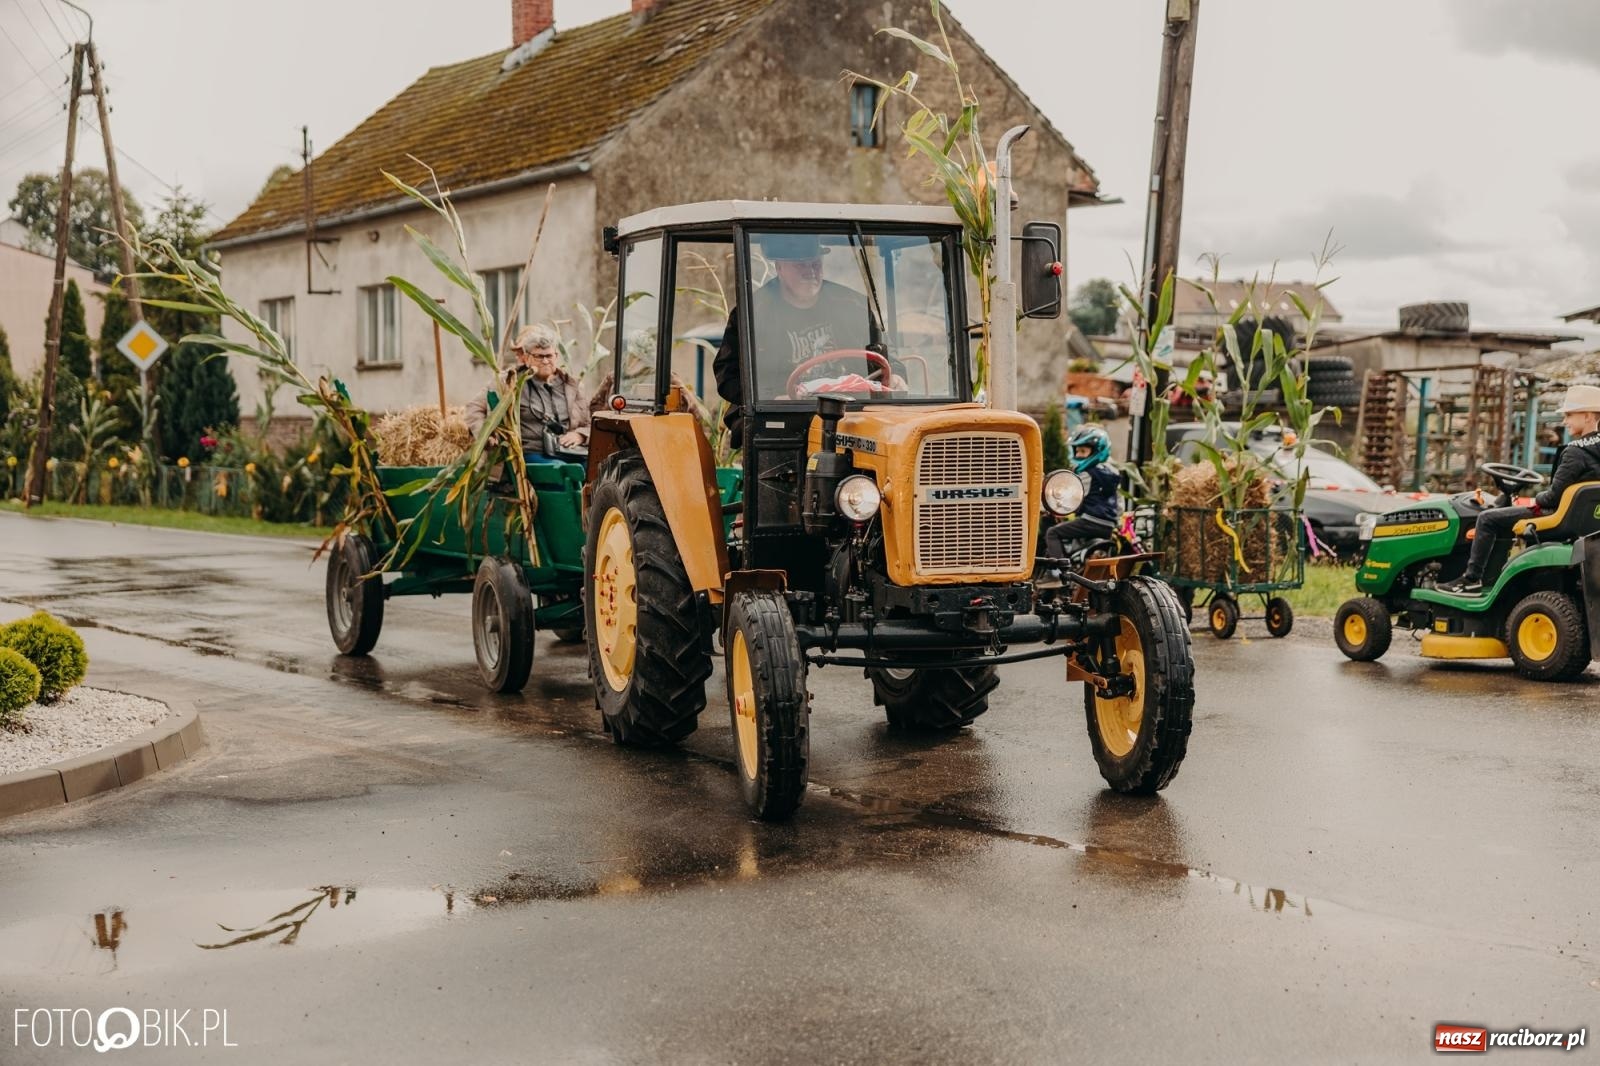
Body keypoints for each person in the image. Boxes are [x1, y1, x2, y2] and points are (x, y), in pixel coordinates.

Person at [713, 233, 876, 447]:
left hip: (846, 415)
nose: (811, 271)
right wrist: (770, 398)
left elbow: (883, 358)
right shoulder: (752, 313)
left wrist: (897, 376)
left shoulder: (853, 305)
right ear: (779, 267)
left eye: (816, 264)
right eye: (801, 265)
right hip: (782, 418)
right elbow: (727, 374)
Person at [1442, 384, 1600, 594]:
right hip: (1586, 521)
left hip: (1558, 516)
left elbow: (1552, 497)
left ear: (1588, 416)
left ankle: (1471, 579)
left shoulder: (1575, 453)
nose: (1564, 421)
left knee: (1487, 519)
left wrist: (1537, 498)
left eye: (1569, 415)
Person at [463, 323, 590, 463]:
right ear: (528, 357)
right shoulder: (508, 382)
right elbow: (474, 408)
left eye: (549, 356)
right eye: (539, 356)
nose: (545, 361)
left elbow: (590, 424)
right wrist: (485, 435)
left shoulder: (573, 385)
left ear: (556, 356)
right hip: (530, 453)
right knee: (561, 468)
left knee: (596, 466)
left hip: (569, 451)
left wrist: (580, 435)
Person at [1044, 424, 1122, 561]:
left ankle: (1057, 570)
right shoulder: (1111, 474)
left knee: (1052, 533)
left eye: (1083, 451)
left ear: (1097, 451)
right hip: (1109, 526)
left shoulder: (1087, 475)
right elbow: (1119, 506)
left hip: (1090, 521)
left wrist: (1052, 505)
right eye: (1077, 451)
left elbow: (1070, 497)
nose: (1078, 455)